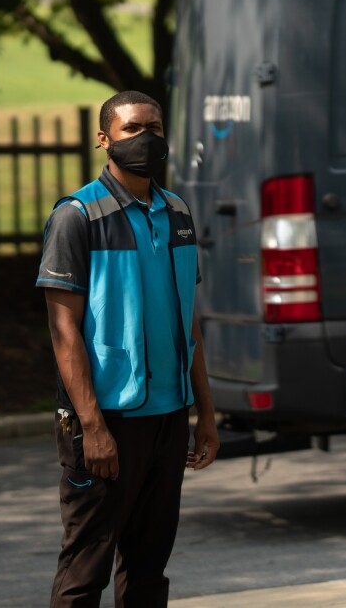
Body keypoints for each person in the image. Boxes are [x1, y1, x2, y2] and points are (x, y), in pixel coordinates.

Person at [37, 90, 220, 607]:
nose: (146, 139)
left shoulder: (178, 213)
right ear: (104, 140)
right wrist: (92, 427)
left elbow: (190, 325)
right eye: (132, 129)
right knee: (84, 573)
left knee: (148, 572)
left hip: (169, 418)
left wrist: (205, 413)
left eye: (154, 129)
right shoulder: (77, 217)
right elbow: (63, 331)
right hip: (106, 424)